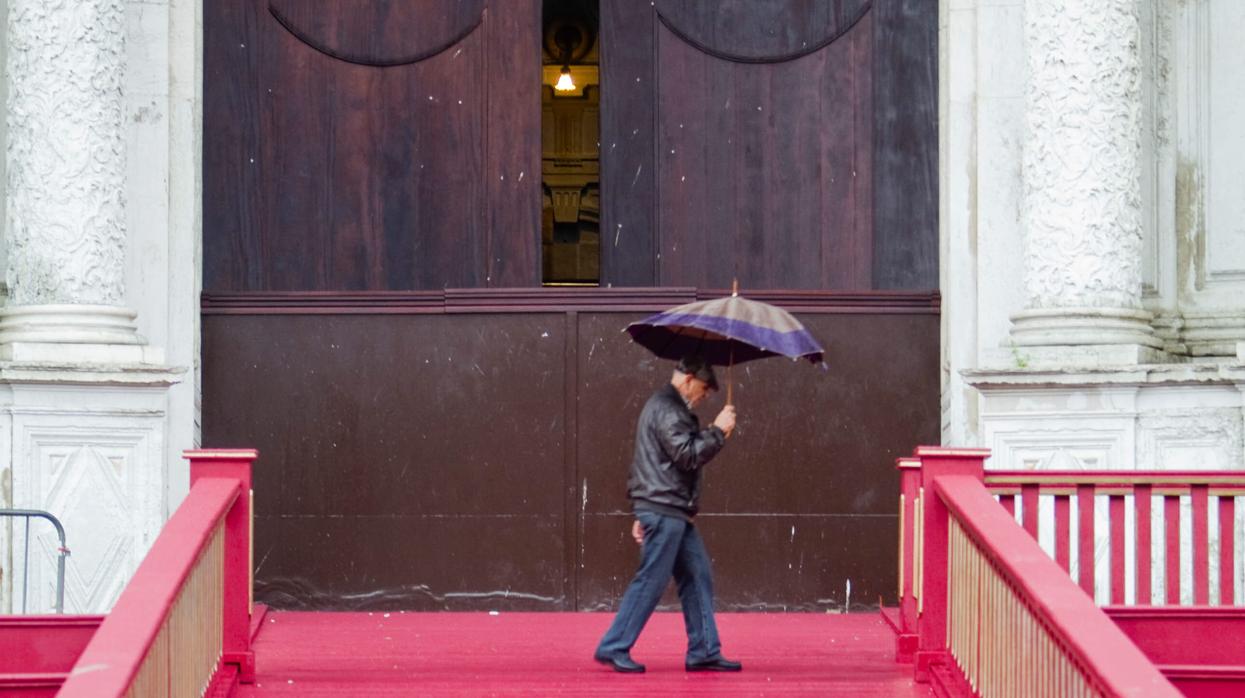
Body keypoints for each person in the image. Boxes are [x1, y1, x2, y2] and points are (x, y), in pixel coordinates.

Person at [593, 354, 741, 674]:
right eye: (703, 388)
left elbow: (655, 460)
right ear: (688, 378)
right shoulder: (670, 409)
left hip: (667, 509)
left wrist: (643, 509)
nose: (704, 396)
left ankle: (703, 650)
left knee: (696, 574)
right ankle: (614, 645)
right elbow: (686, 455)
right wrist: (717, 430)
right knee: (652, 579)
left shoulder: (665, 406)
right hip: (665, 509)